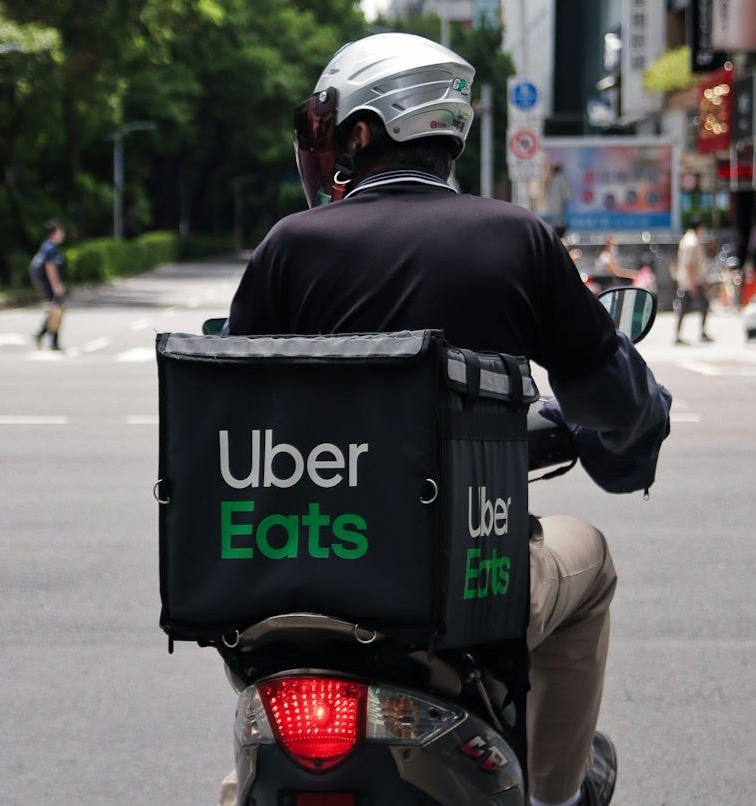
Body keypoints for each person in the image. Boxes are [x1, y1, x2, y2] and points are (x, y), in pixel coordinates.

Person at [225, 33, 671, 806]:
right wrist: (639, 410)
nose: (318, 146)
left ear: (363, 132)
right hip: (464, 589)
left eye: (325, 127)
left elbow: (229, 408)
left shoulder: (287, 247)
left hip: (291, 588)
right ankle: (555, 795)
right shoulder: (516, 238)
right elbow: (612, 403)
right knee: (590, 560)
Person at [673, 216, 711, 344]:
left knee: (685, 308)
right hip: (692, 281)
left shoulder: (687, 239)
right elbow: (689, 265)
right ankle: (701, 332)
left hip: (688, 280)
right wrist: (693, 284)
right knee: (702, 305)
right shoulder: (692, 242)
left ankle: (679, 334)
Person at [31, 220, 67, 350]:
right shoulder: (51, 248)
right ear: (54, 233)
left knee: (56, 312)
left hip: (48, 285)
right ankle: (49, 340)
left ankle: (43, 336)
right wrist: (56, 286)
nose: (62, 234)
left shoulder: (46, 246)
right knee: (57, 313)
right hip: (50, 286)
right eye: (60, 231)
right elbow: (50, 267)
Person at [542, 161, 573, 238]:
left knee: (555, 229)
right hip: (555, 212)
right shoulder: (553, 178)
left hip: (554, 212)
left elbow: (568, 194)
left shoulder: (558, 178)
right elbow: (568, 195)